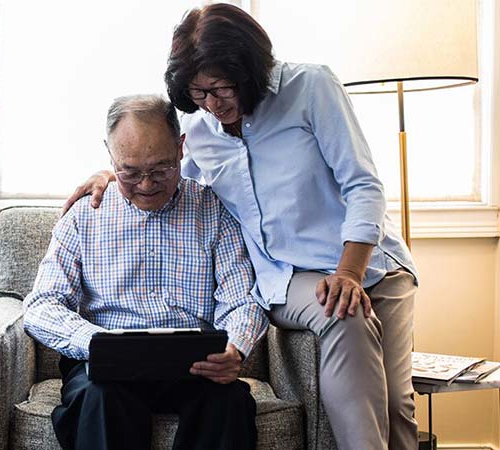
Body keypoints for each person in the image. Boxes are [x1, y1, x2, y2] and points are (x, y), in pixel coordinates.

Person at [63, 4, 418, 450]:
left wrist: (348, 272)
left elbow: (364, 185)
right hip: (289, 277)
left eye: (220, 89)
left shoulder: (310, 88)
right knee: (341, 313)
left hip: (370, 263)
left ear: (249, 69)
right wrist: (114, 176)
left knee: (397, 405)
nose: (212, 104)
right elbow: (167, 181)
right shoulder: (198, 123)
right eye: (198, 93)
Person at [24, 94, 268, 450]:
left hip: (194, 365)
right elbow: (42, 304)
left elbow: (242, 298)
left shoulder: (213, 209)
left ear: (181, 147)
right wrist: (94, 342)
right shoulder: (83, 216)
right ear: (110, 156)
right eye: (131, 172)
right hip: (104, 367)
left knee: (229, 401)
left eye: (161, 169)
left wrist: (236, 347)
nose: (147, 184)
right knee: (100, 397)